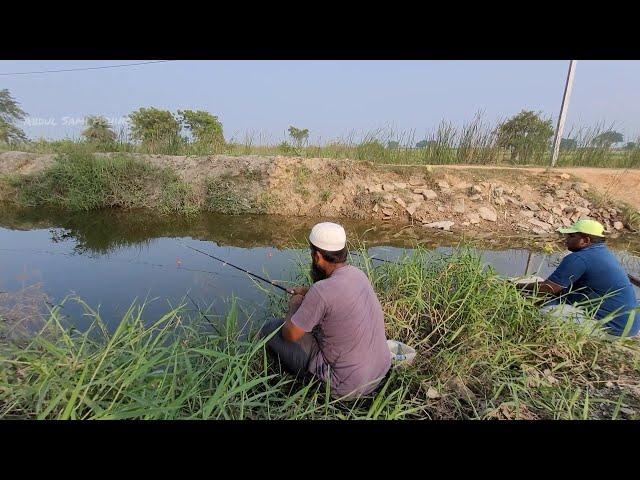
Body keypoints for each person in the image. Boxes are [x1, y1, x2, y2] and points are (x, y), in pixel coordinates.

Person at [260, 222, 391, 399]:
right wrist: (307, 292)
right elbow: (335, 295)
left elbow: (289, 334)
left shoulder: (321, 292)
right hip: (379, 372)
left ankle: (292, 384)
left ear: (318, 256)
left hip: (347, 388)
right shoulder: (357, 274)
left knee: (270, 329)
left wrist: (295, 303)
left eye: (312, 253)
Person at [518, 219, 639, 338]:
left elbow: (548, 288)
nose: (566, 239)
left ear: (585, 240)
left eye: (571, 236)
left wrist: (515, 287)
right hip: (628, 327)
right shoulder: (603, 253)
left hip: (610, 329)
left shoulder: (579, 258)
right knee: (549, 298)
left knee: (545, 312)